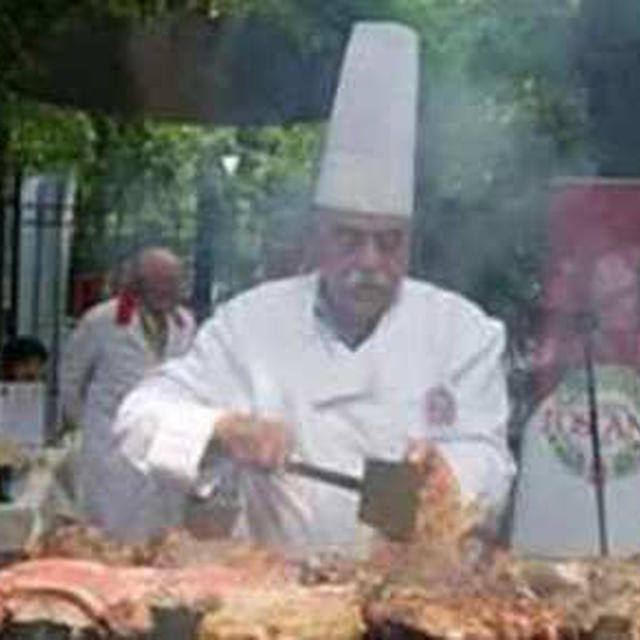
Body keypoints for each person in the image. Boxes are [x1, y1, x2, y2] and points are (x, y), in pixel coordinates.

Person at [103, 23, 515, 551]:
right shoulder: (250, 323)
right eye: (350, 238)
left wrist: (450, 475)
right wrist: (226, 427)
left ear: (411, 242)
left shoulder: (463, 332)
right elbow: (138, 417)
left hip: (414, 593)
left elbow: (489, 456)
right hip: (275, 600)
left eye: (388, 242)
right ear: (318, 235)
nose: (369, 261)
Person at [60, 246, 195, 524]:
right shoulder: (102, 320)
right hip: (111, 453)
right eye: (158, 281)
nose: (165, 290)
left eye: (172, 282)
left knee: (161, 536)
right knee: (109, 540)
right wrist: (90, 430)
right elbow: (71, 379)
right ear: (137, 282)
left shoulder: (186, 323)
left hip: (164, 449)